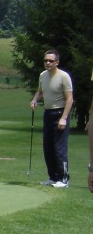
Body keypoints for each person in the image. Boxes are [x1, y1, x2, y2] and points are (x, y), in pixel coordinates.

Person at [30, 49, 73, 187]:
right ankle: (53, 177)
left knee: (59, 149)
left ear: (57, 62)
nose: (48, 63)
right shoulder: (43, 75)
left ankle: (63, 179)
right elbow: (40, 91)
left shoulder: (63, 76)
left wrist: (64, 118)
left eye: (51, 60)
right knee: (47, 147)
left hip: (60, 113)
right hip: (47, 113)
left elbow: (70, 99)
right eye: (46, 60)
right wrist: (35, 100)